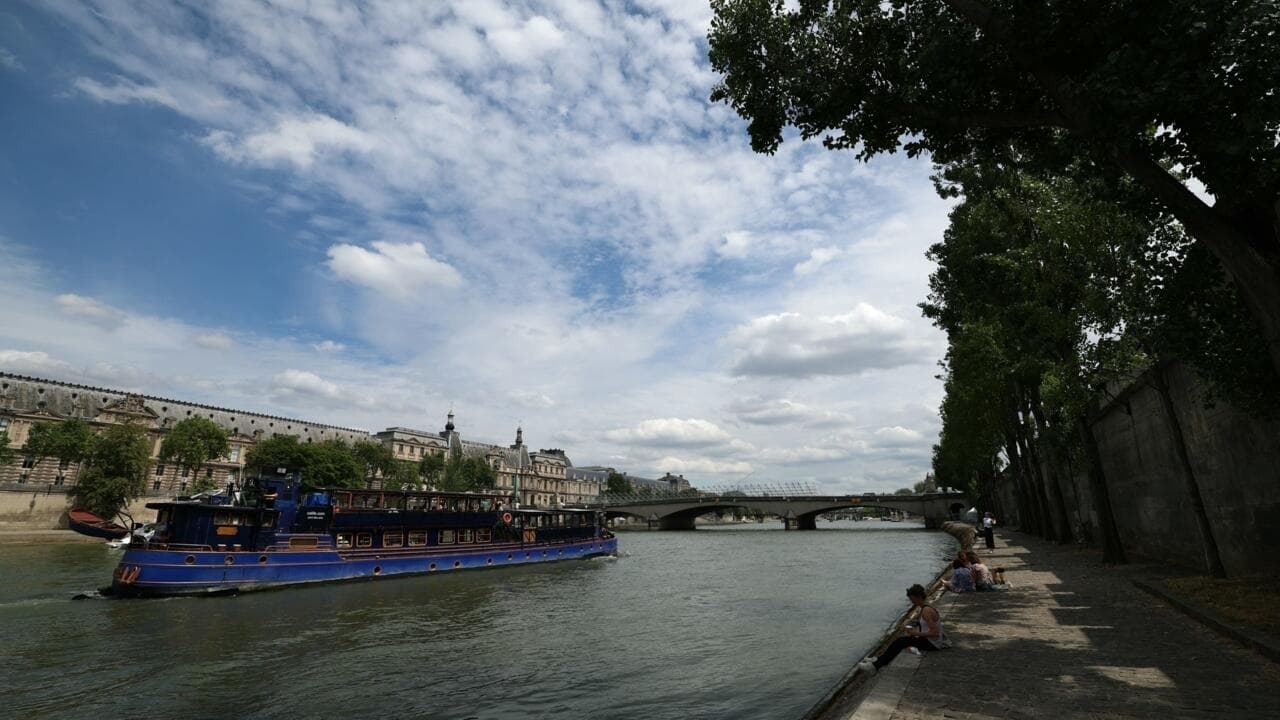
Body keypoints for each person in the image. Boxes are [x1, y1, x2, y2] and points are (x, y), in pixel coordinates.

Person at [858, 584, 949, 673]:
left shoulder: (926, 611)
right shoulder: (925, 607)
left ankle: (875, 666)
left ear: (918, 597)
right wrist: (914, 629)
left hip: (932, 643)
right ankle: (879, 660)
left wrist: (915, 633)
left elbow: (935, 633)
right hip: (929, 640)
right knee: (899, 641)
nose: (911, 602)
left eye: (912, 599)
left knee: (901, 642)